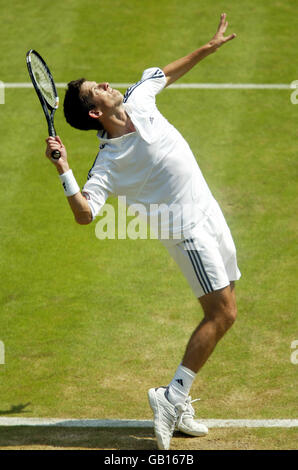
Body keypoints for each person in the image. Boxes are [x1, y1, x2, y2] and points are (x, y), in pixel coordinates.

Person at [45, 13, 240, 450]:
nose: (107, 85)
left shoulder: (139, 99)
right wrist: (64, 169)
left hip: (209, 211)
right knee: (223, 313)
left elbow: (163, 74)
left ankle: (179, 397)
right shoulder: (109, 163)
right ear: (96, 111)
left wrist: (207, 48)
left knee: (230, 296)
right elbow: (84, 213)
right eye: (97, 89)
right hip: (184, 230)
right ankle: (170, 397)